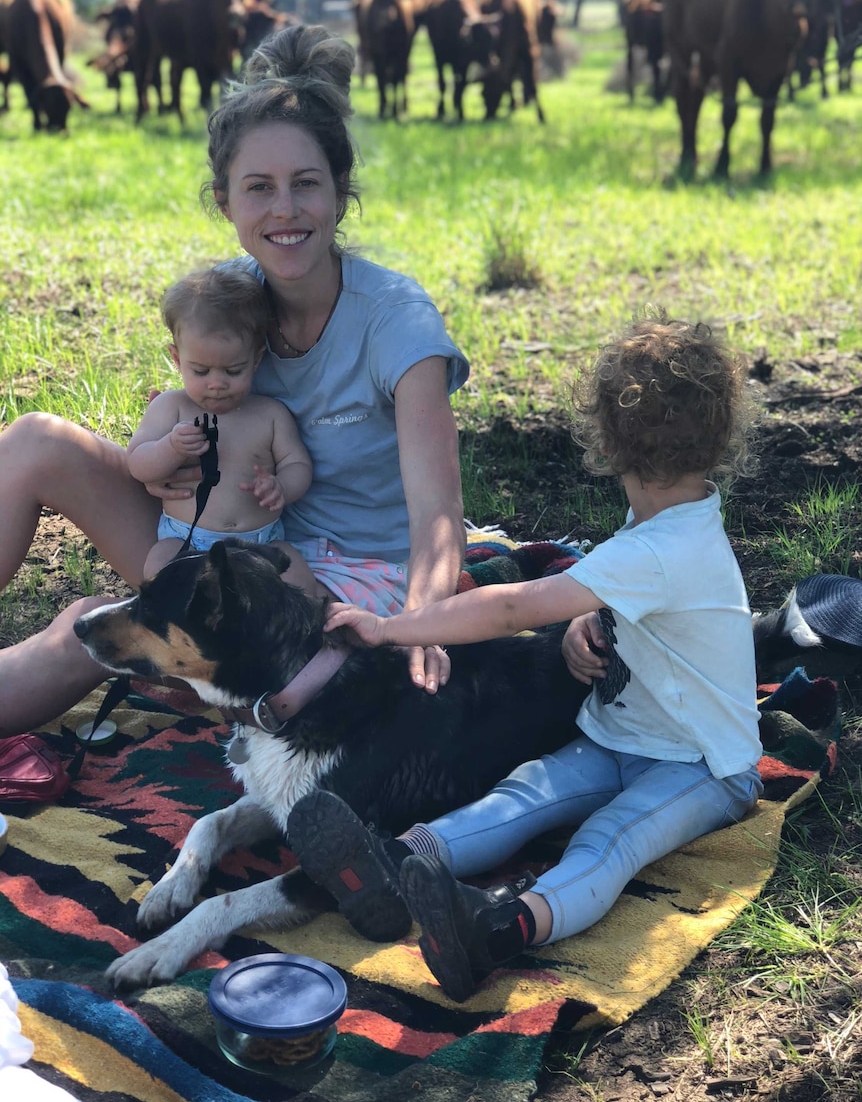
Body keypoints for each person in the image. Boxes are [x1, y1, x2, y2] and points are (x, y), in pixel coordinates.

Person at [0, 23, 467, 739]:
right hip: (216, 539)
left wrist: (424, 623)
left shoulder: (396, 322)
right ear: (226, 202)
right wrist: (168, 462)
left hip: (326, 589)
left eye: (306, 184)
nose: (284, 209)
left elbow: (438, 513)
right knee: (35, 438)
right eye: (259, 188)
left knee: (85, 629)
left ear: (341, 194)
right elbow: (165, 426)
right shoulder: (229, 305)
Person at [286, 312, 764, 1002]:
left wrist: (393, 628)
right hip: (625, 733)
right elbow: (624, 596)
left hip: (707, 765)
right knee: (519, 796)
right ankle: (389, 867)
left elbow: (511, 608)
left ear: (608, 440)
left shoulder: (659, 546)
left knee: (609, 839)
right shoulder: (671, 517)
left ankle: (500, 927)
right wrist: (582, 621)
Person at [129, 265, 312, 579]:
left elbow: (298, 464)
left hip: (262, 542)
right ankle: (171, 627)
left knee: (297, 574)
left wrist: (281, 485)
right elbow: (137, 463)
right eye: (200, 371)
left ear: (256, 360)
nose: (217, 383)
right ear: (177, 359)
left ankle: (298, 627)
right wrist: (170, 447)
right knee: (159, 565)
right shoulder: (170, 407)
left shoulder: (270, 414)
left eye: (233, 370)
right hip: (187, 539)